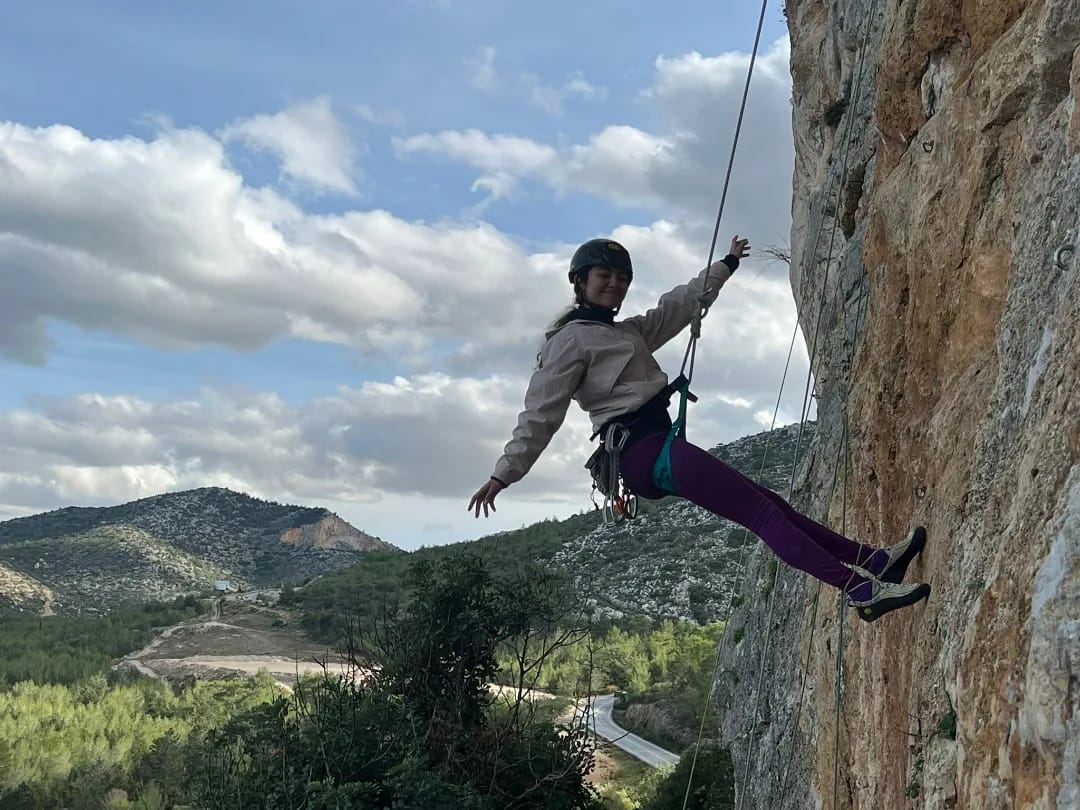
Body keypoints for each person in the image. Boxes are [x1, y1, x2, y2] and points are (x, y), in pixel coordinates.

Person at [467, 237, 930, 622]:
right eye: (604, 276)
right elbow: (540, 413)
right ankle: (860, 592)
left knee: (771, 506)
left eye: (621, 278)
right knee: (762, 516)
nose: (614, 284)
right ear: (580, 282)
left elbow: (679, 305)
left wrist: (724, 266)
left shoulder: (625, 332)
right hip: (642, 451)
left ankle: (874, 562)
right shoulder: (567, 344)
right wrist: (504, 474)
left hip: (656, 444)